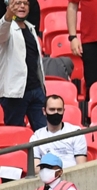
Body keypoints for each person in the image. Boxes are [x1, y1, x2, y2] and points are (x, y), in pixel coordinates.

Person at [0, 0, 46, 130]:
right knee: (15, 132)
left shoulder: (30, 27)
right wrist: (8, 16)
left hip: (35, 89)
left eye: (25, 3)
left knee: (44, 132)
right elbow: (1, 33)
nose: (22, 6)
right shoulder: (6, 27)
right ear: (8, 7)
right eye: (17, 3)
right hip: (15, 93)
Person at [29, 95, 86, 174]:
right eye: (52, 109)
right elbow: (36, 169)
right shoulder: (37, 136)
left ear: (63, 111)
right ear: (44, 111)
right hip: (47, 179)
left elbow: (82, 166)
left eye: (59, 110)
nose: (56, 113)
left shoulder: (76, 132)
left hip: (72, 176)